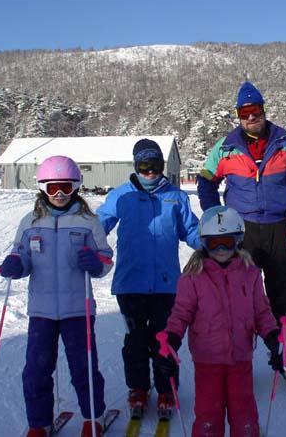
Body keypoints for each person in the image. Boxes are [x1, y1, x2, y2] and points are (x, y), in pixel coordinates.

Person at [196, 81, 286, 384]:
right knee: (241, 295)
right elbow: (205, 181)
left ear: (264, 111)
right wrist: (217, 216)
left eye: (256, 111)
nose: (251, 117)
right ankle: (238, 351)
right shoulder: (225, 148)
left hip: (280, 228)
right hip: (243, 232)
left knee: (284, 294)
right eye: (245, 112)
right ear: (238, 115)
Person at [0, 155, 114, 437]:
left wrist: (96, 263)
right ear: (42, 188)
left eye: (66, 187)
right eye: (53, 188)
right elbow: (21, 255)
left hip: (78, 308)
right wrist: (15, 264)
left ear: (76, 187)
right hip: (42, 310)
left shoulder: (88, 221)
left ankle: (93, 418)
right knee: (36, 370)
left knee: (84, 369)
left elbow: (106, 258)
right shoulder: (30, 222)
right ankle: (39, 423)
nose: (60, 194)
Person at [96, 138, 201, 421]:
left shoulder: (176, 197)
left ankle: (166, 389)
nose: (150, 172)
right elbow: (99, 225)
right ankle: (139, 388)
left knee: (165, 339)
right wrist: (81, 242)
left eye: (155, 165)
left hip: (167, 285)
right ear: (135, 167)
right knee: (136, 340)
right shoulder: (122, 196)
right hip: (130, 283)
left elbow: (191, 231)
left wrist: (214, 244)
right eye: (144, 166)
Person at [158, 206, 281, 437]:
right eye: (214, 243)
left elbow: (262, 312)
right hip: (207, 359)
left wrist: (272, 336)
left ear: (239, 240)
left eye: (228, 242)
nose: (222, 249)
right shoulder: (193, 277)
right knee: (208, 413)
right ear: (204, 243)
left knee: (244, 411)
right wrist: (171, 340)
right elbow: (181, 313)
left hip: (240, 358)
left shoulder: (250, 273)